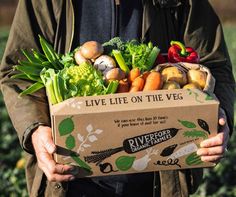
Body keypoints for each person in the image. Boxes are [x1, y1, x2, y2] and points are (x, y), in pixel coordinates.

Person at [0, 0, 235, 196]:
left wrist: (218, 114)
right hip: (71, 179)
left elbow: (215, 65)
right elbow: (16, 72)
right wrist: (36, 130)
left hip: (158, 181)